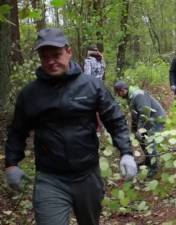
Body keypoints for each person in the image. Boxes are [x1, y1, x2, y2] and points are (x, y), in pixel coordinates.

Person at [4, 28, 137, 225]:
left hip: (87, 175)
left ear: (69, 51)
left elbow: (115, 120)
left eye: (56, 55)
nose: (50, 61)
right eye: (44, 56)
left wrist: (126, 152)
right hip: (50, 178)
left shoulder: (92, 86)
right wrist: (11, 164)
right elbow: (17, 131)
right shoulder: (30, 94)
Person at [114, 81, 166, 177]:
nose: (119, 96)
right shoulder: (130, 96)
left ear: (123, 90)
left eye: (118, 93)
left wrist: (140, 129)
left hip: (156, 119)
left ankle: (154, 168)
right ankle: (148, 160)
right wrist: (134, 129)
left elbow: (144, 113)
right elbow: (135, 113)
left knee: (149, 141)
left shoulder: (138, 95)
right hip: (149, 119)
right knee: (141, 138)